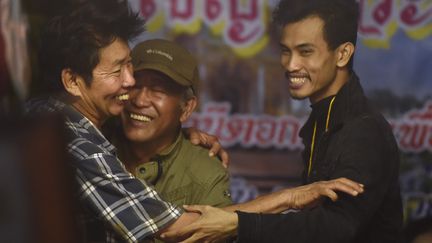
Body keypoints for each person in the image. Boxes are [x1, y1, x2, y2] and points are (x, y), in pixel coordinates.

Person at [25, 0, 365, 242]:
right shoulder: (78, 146)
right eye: (119, 71)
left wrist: (179, 133)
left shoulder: (40, 117)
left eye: (133, 68)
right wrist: (288, 198)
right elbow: (174, 228)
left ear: (187, 108)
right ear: (71, 81)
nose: (131, 87)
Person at [162, 0, 403, 242]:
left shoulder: (362, 129)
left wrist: (237, 224)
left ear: (342, 54)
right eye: (286, 50)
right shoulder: (323, 118)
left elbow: (335, 227)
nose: (290, 64)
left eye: (305, 51)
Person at [108, 39, 232, 208]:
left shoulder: (205, 174)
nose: (140, 100)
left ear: (187, 108)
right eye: (134, 85)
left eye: (158, 90)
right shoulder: (95, 140)